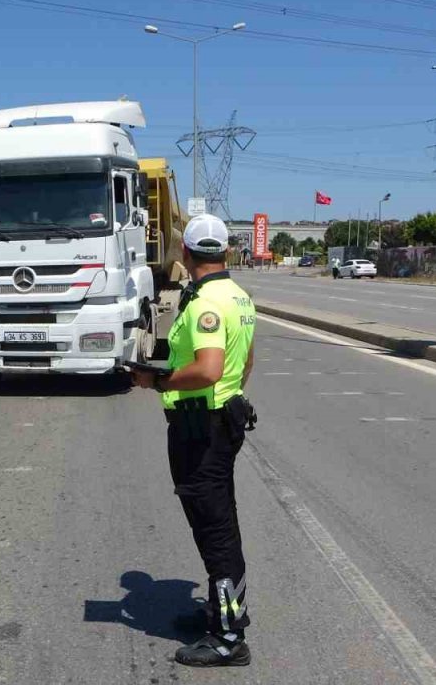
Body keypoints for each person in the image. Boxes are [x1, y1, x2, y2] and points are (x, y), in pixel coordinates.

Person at [131, 213, 258, 668]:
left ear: (185, 253)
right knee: (217, 523)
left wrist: (157, 381)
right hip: (220, 420)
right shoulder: (238, 297)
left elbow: (207, 369)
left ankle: (228, 637)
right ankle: (221, 613)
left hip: (201, 429)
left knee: (215, 531)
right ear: (226, 251)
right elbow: (245, 363)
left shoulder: (206, 302)